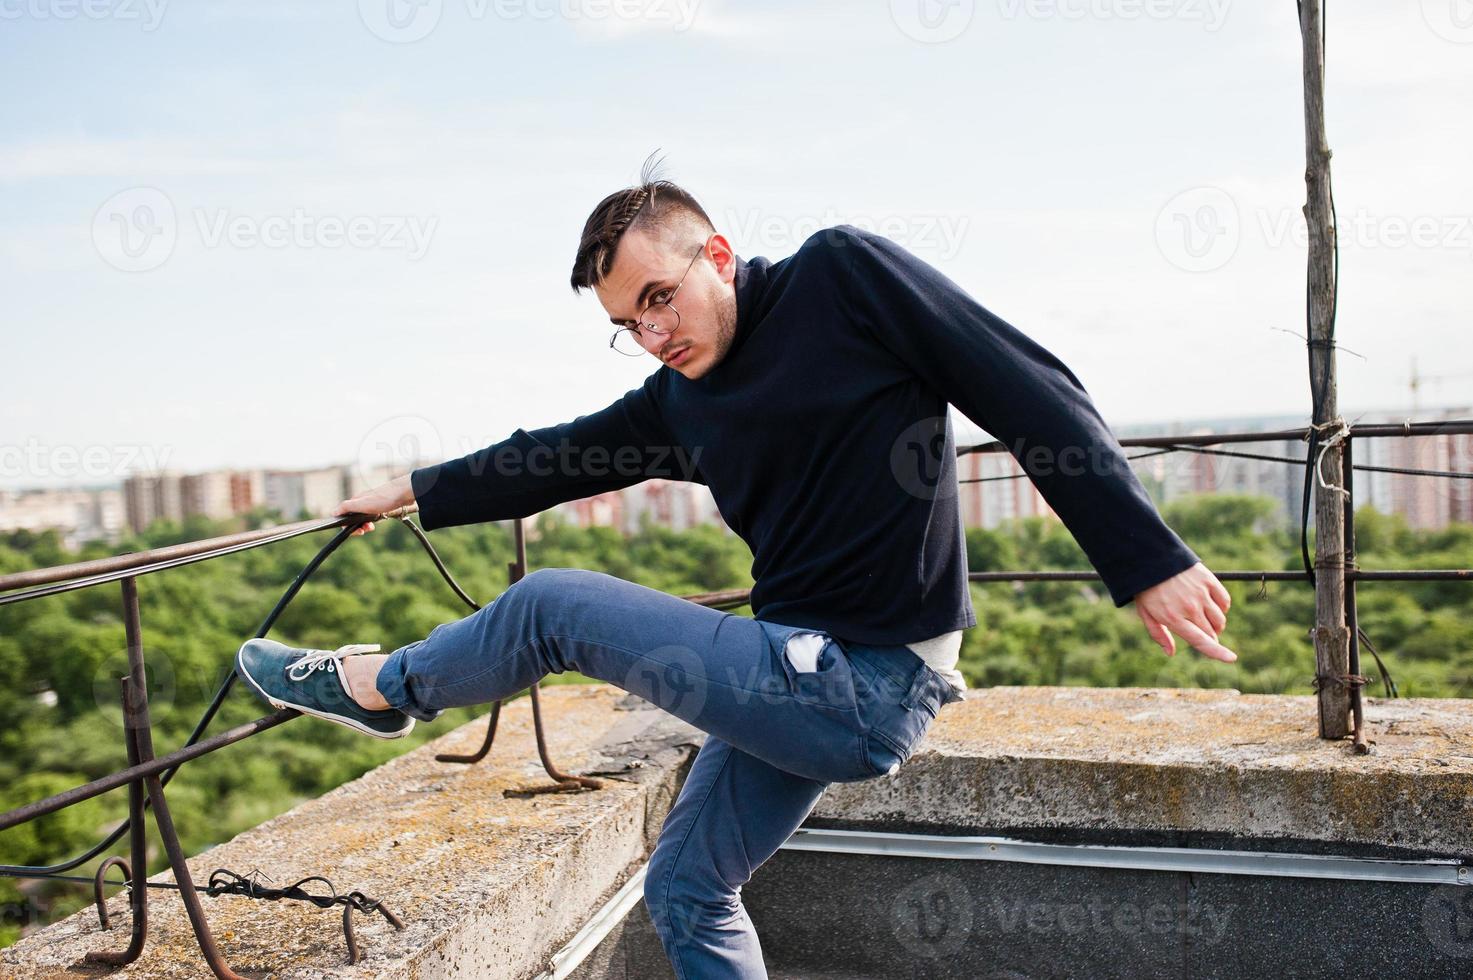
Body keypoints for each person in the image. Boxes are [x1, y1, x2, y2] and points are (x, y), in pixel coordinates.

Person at [235, 159, 1236, 979]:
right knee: (686, 886)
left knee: (547, 604)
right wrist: (412, 490)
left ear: (716, 254)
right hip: (790, 674)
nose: (653, 335)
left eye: (660, 298)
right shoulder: (681, 399)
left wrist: (1145, 554)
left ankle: (381, 686)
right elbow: (549, 455)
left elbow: (1024, 384)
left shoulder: (842, 279)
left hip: (869, 677)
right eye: (628, 323)